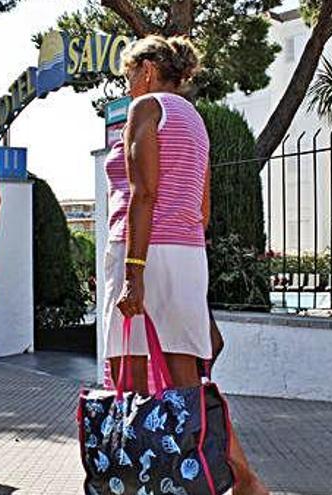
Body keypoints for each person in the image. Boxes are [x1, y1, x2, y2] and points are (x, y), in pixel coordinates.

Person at [104, 34, 267, 495]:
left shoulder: (146, 109)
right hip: (187, 253)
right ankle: (243, 479)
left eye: (131, 73)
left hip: (142, 250)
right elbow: (202, 208)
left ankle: (141, 482)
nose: (129, 83)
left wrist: (133, 273)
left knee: (129, 376)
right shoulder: (194, 119)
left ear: (149, 69)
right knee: (186, 382)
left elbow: (144, 193)